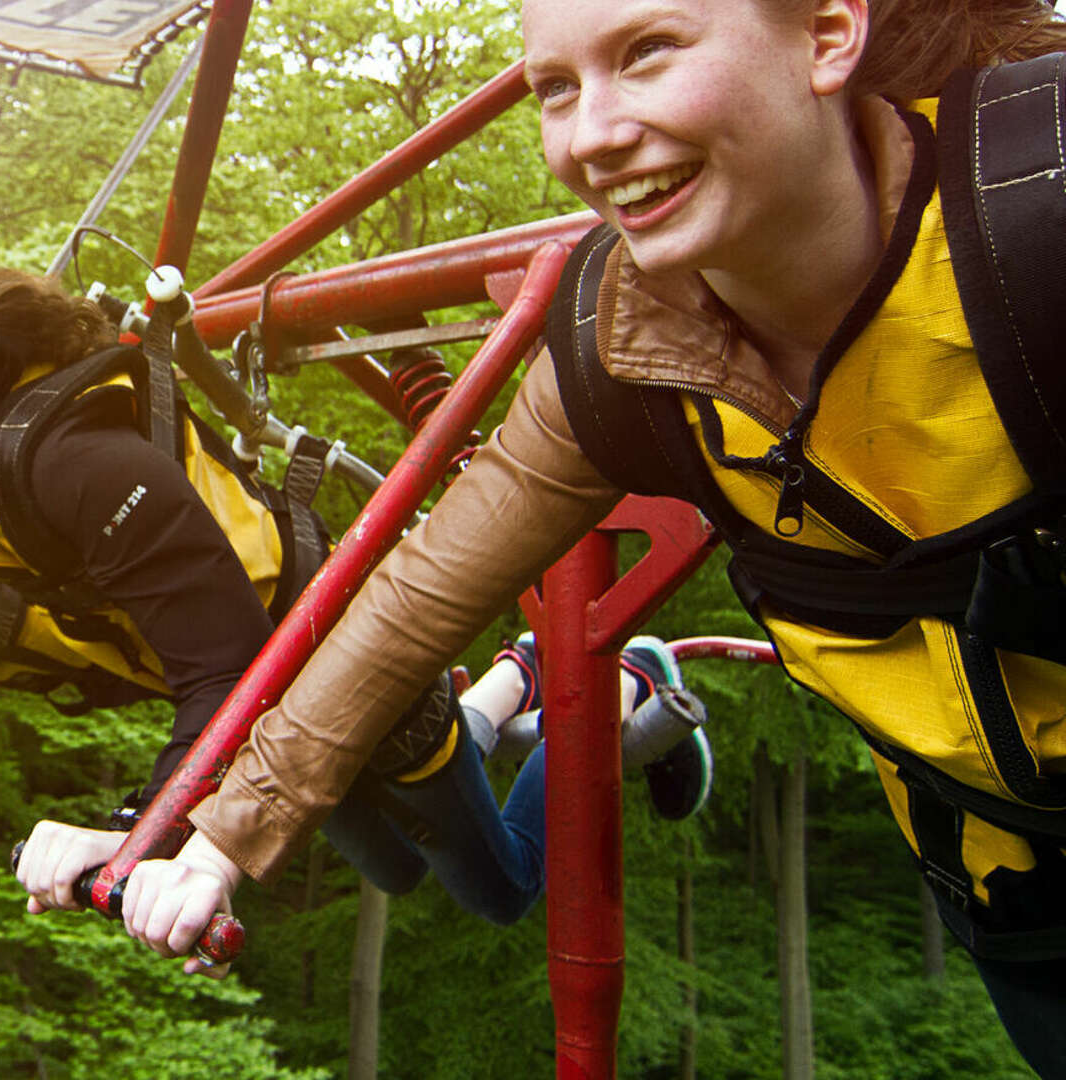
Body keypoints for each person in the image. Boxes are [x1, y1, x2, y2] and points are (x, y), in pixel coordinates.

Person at [118, 1, 1066, 1075]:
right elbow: (418, 594)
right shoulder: (617, 348)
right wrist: (222, 834)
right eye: (555, 90)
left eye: (649, 53)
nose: (592, 135)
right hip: (1007, 891)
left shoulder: (1034, 225)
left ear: (828, 34)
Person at [0, 238, 713, 921]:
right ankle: (517, 686)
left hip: (346, 682)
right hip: (260, 715)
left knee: (500, 890)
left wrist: (139, 835)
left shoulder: (68, 464)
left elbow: (221, 667)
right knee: (395, 872)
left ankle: (623, 694)